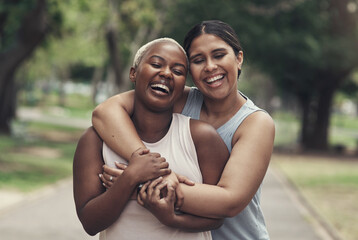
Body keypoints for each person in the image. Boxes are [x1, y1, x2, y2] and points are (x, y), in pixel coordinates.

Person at [93, 20, 275, 240]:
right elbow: (105, 112)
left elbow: (229, 201)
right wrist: (146, 164)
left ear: (238, 59)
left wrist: (137, 183)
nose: (210, 67)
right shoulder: (180, 99)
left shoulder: (256, 123)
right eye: (198, 60)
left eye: (218, 55)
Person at [73, 38, 229, 240]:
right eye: (156, 64)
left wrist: (170, 217)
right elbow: (90, 223)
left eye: (178, 71)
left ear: (183, 87)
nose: (166, 73)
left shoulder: (202, 137)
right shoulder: (95, 140)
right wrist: (131, 177)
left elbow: (217, 216)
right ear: (133, 73)